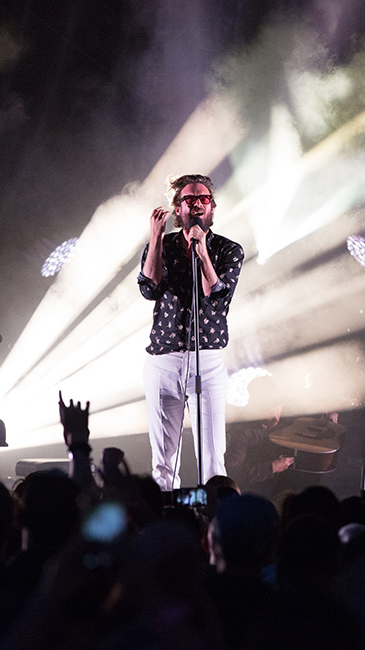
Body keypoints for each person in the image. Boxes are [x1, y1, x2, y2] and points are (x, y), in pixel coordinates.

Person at [138, 174, 244, 490]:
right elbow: (149, 289)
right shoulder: (162, 245)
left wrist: (202, 252)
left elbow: (217, 292)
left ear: (211, 207)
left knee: (213, 459)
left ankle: (212, 522)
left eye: (203, 198)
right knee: (163, 460)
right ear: (177, 208)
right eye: (189, 199)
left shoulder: (228, 250)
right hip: (163, 358)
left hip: (207, 360)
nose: (197, 203)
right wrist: (156, 237)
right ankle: (165, 521)